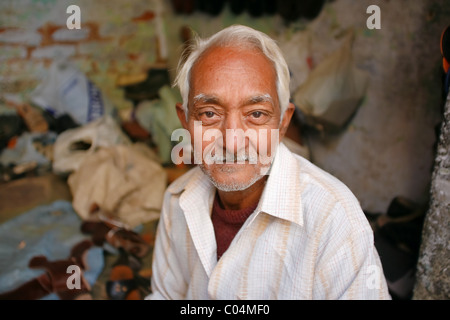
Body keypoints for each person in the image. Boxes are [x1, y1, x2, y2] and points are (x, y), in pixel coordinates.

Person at [147, 24, 390, 300]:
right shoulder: (177, 200)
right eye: (210, 113)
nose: (232, 141)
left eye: (257, 114)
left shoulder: (334, 219)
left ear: (282, 124)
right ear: (186, 121)